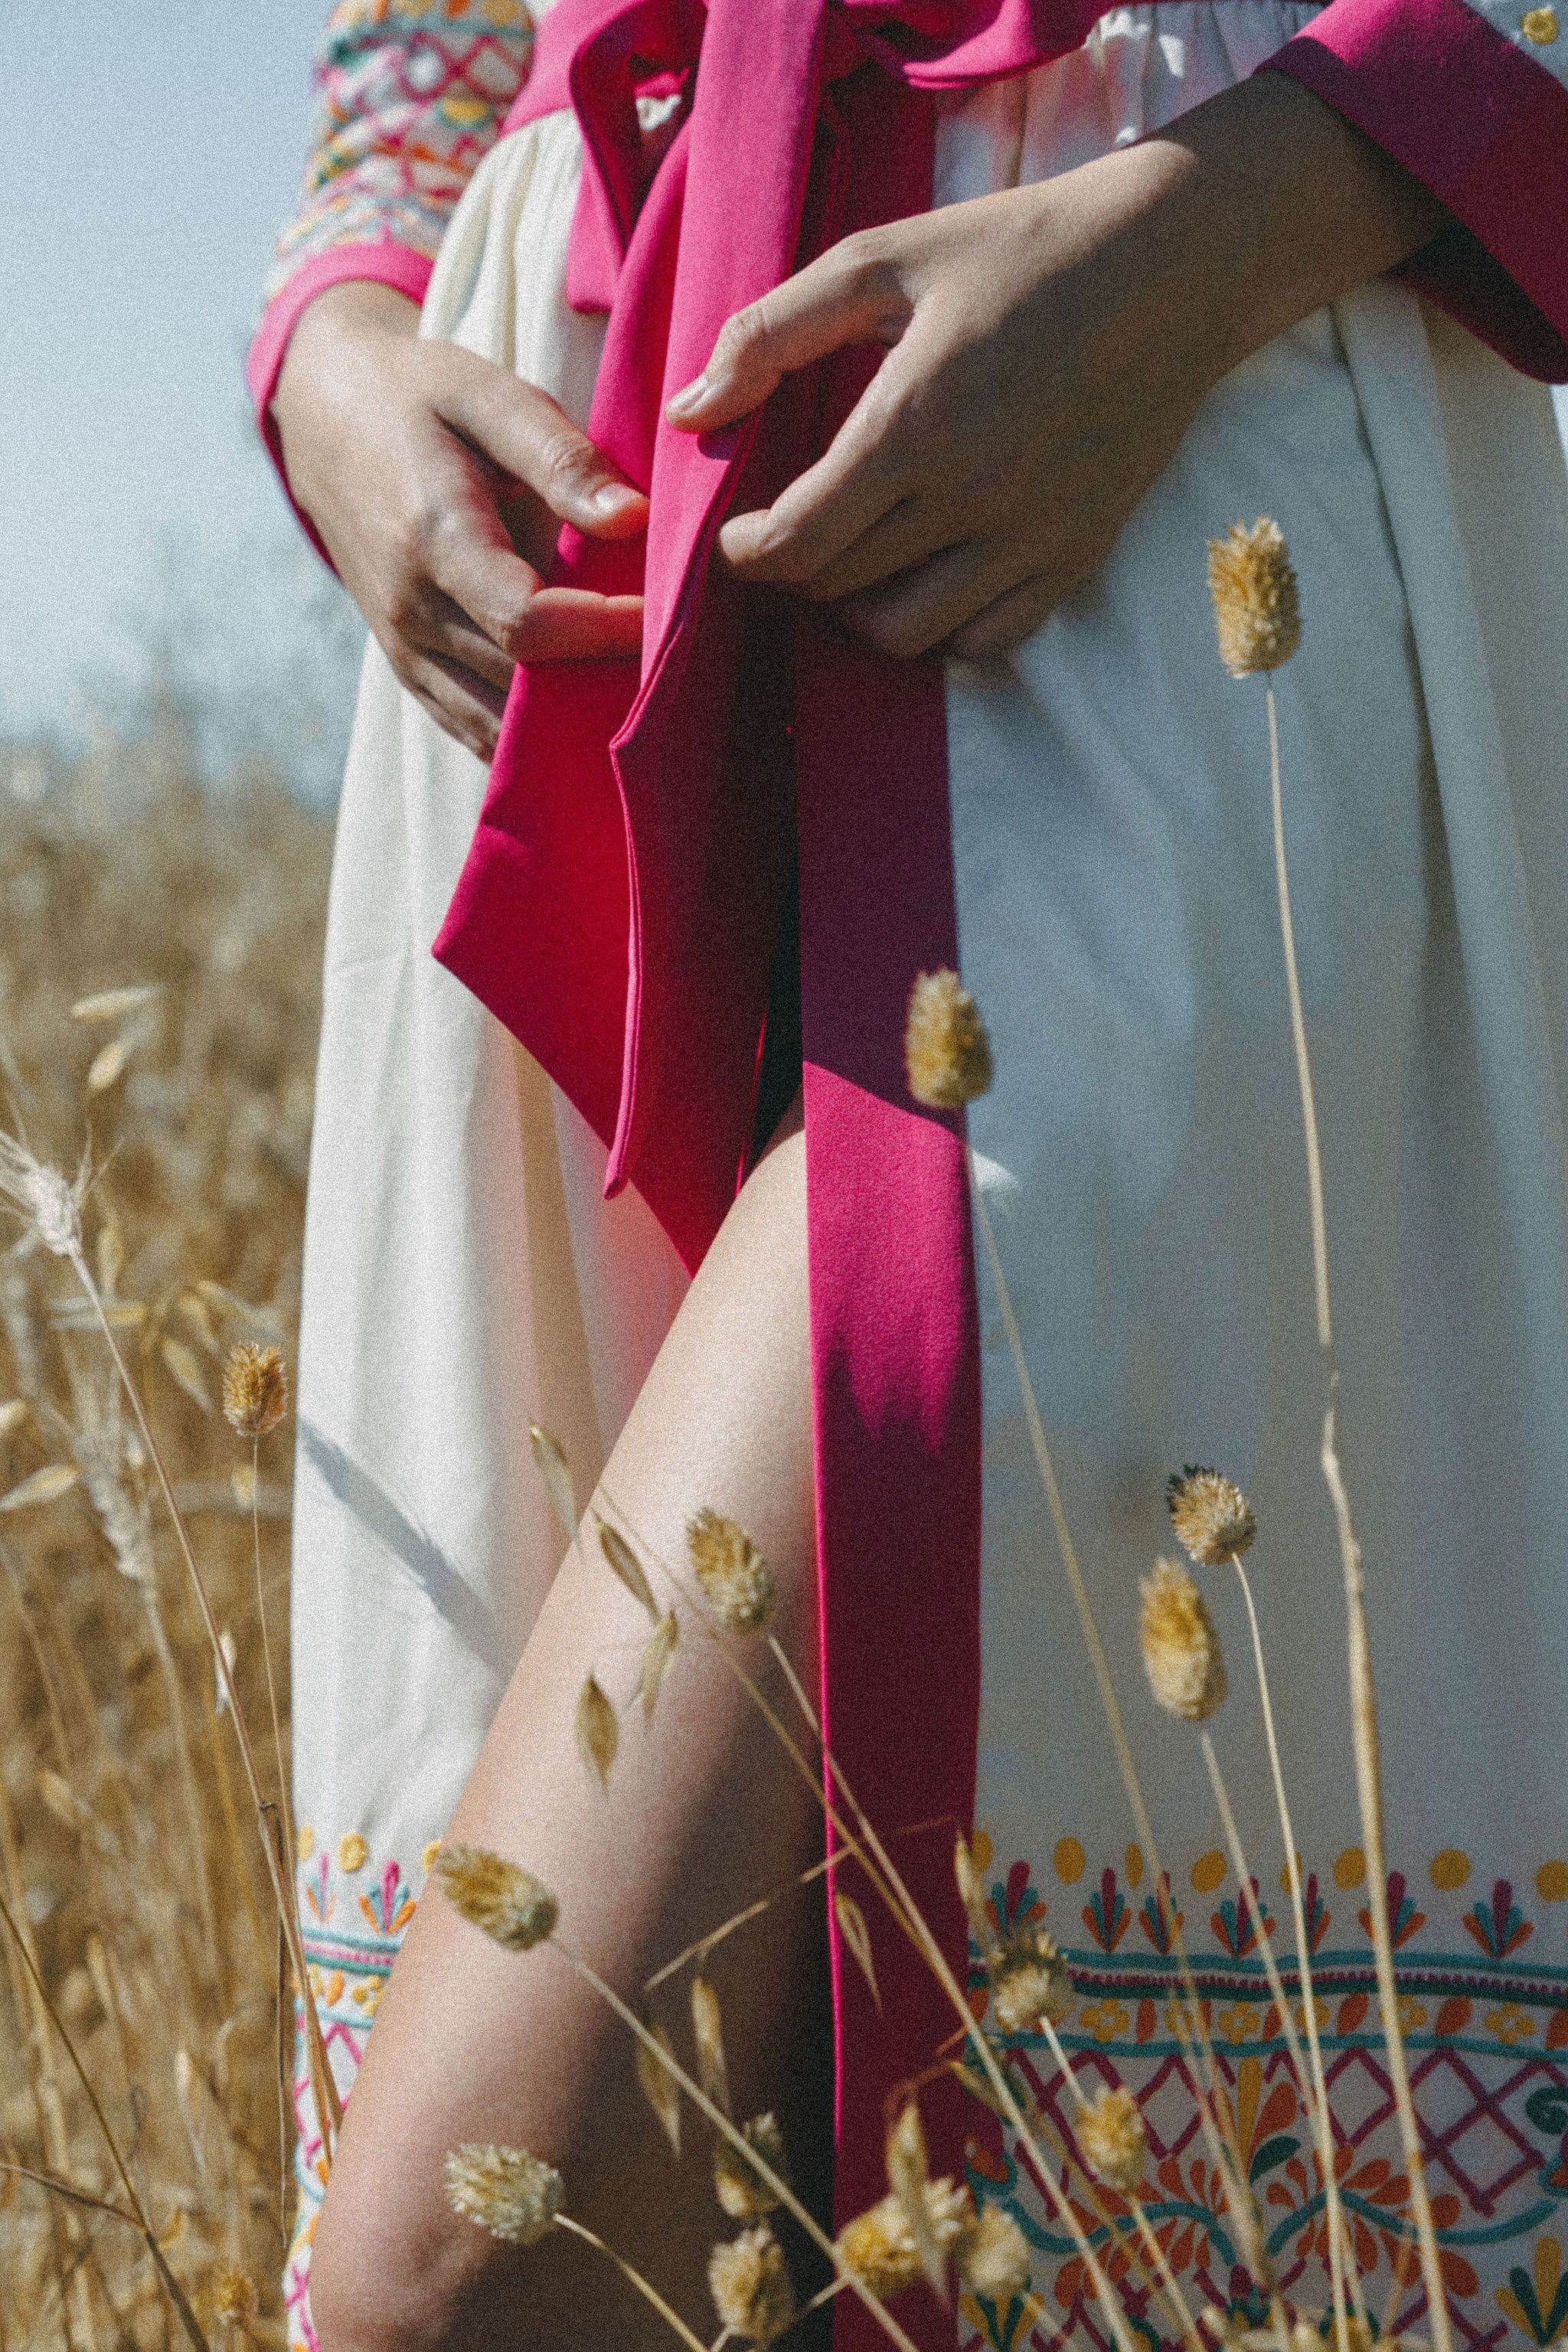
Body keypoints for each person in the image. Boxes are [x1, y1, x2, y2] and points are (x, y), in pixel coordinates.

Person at [251, 5, 1568, 2349]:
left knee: (472, 2280)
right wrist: (340, 322)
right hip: (593, 532)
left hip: (1178, 456)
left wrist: (1216, 226)